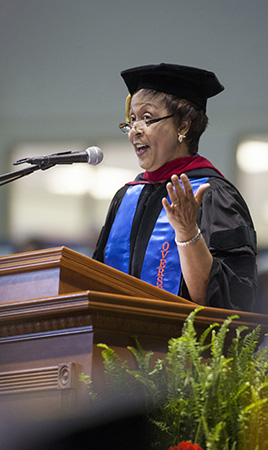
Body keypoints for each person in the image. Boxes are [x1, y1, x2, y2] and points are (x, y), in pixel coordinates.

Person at [93, 63, 257, 311]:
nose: (135, 131)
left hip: (183, 347)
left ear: (183, 126)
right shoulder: (127, 196)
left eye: (147, 119)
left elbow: (234, 301)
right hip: (119, 345)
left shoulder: (213, 194)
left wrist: (187, 232)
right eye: (132, 120)